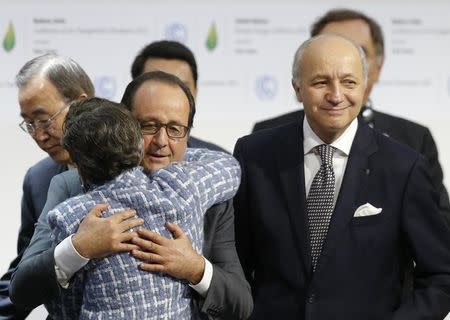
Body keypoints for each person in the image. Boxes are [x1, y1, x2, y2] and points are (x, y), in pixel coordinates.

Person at [234, 34, 450, 319]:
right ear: (297, 88)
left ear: (365, 87)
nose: (336, 96)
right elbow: (234, 265)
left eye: (349, 82)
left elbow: (440, 277)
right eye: (321, 82)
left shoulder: (403, 167)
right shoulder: (254, 155)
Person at [10, 71, 253, 319]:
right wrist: (77, 249)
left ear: (188, 135)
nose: (161, 141)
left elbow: (240, 304)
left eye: (175, 129)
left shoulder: (207, 191)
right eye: (149, 126)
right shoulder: (68, 186)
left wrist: (196, 268)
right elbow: (21, 290)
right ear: (124, 126)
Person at [252, 8, 450, 224]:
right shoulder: (263, 139)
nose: (341, 59)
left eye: (358, 52)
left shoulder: (413, 141)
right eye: (331, 47)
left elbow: (436, 231)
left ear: (377, 66)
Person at [0, 53, 94, 319]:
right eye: (29, 123)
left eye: (44, 119)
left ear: (80, 105)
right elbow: (25, 272)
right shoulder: (39, 180)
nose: (39, 135)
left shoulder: (139, 165)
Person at [131, 40, 227, 152]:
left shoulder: (220, 163)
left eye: (182, 88)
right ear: (132, 92)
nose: (169, 99)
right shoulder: (108, 162)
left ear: (195, 92)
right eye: (156, 87)